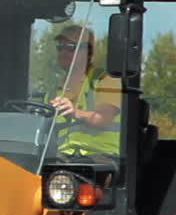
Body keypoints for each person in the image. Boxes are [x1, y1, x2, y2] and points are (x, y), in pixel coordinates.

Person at [48, 25, 122, 158]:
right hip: (63, 160)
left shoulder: (104, 81)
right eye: (60, 46)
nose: (63, 52)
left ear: (88, 52)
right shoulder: (53, 93)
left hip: (102, 159)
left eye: (71, 47)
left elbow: (104, 120)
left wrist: (74, 112)